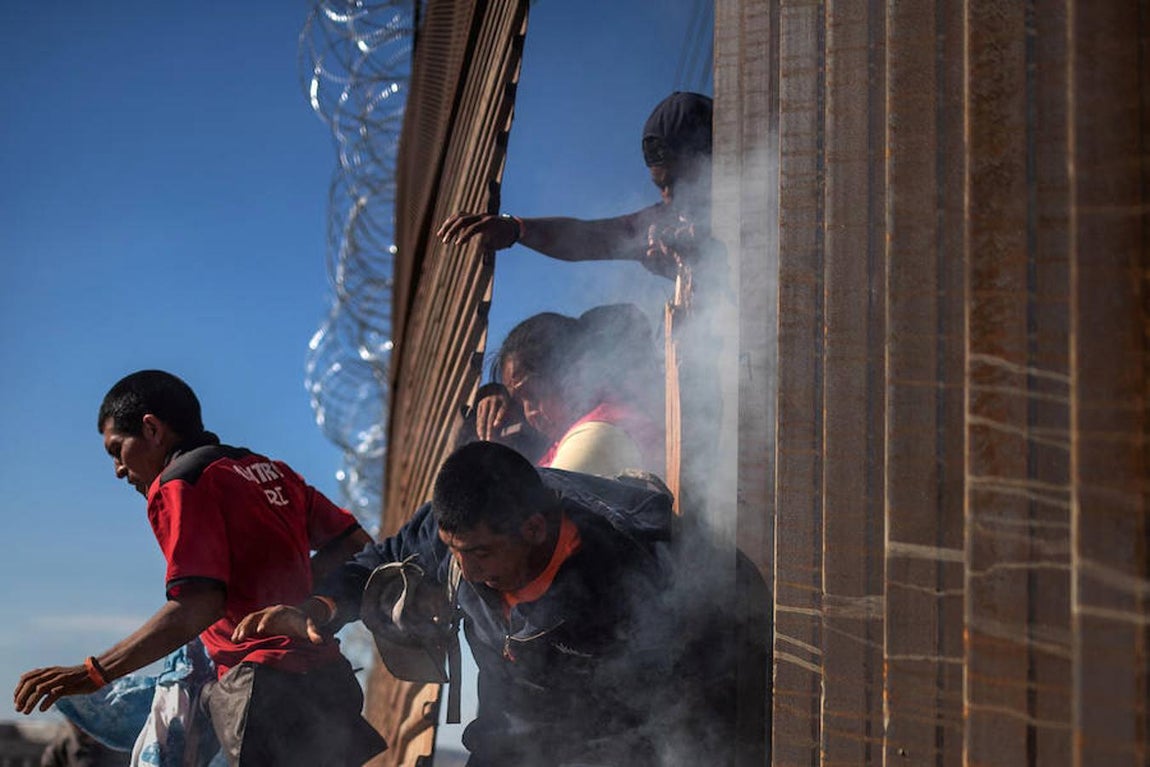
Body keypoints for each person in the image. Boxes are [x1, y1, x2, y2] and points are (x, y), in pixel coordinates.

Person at [232, 441, 692, 767]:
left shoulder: (617, 577)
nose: (466, 572)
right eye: (455, 552)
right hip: (507, 733)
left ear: (533, 529)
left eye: (480, 554)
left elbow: (659, 709)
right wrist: (319, 608)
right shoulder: (453, 528)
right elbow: (379, 561)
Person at [13, 370, 386, 767]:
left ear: (152, 429)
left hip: (264, 692)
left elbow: (197, 605)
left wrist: (93, 673)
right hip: (329, 679)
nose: (119, 470)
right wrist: (295, 599)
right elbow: (356, 546)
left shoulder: (179, 485)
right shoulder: (272, 471)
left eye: (117, 450)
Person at [436, 91, 713, 280]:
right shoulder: (667, 224)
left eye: (675, 182)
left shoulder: (748, 200)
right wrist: (516, 228)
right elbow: (588, 238)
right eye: (661, 187)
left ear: (708, 157)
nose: (667, 196)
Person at [475, 307, 664, 477]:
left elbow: (536, 513)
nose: (529, 412)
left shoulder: (601, 430)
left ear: (572, 373)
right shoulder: (560, 446)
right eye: (519, 402)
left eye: (533, 394)